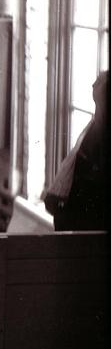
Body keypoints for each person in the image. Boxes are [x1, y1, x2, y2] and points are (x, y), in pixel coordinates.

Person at [44, 70, 108, 231]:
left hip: (89, 221)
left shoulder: (102, 132)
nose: (93, 85)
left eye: (99, 81)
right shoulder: (93, 126)